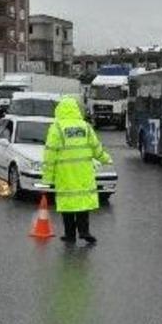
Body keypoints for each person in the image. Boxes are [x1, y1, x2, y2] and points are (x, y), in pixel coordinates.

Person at [42, 96, 112, 245]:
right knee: (82, 204)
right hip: (83, 173)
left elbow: (50, 154)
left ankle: (70, 235)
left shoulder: (57, 128)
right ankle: (84, 231)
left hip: (65, 174)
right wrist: (106, 159)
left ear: (59, 110)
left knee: (67, 205)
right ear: (76, 110)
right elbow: (96, 148)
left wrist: (47, 178)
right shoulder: (85, 126)